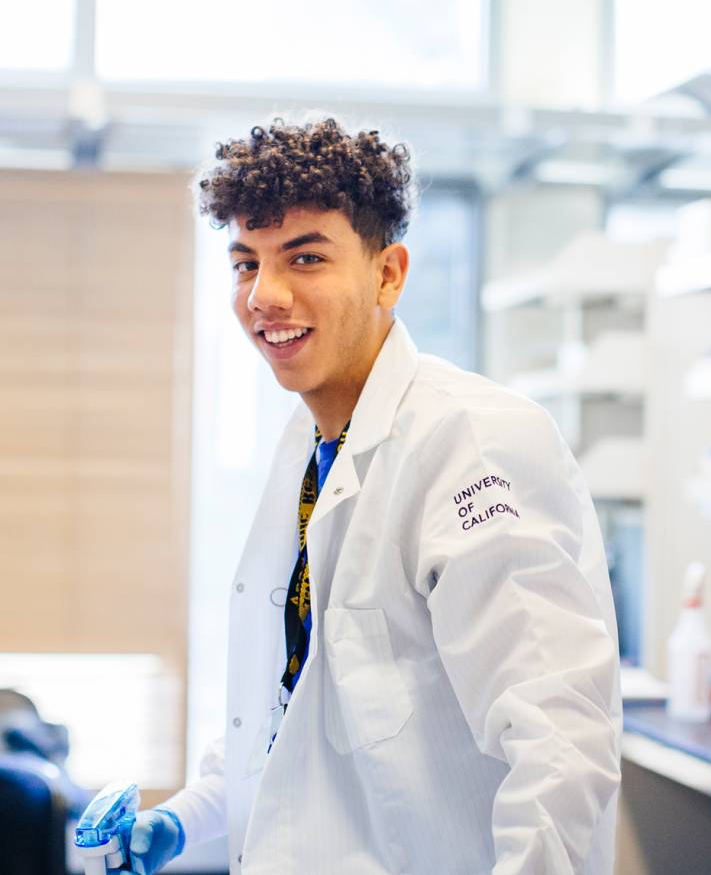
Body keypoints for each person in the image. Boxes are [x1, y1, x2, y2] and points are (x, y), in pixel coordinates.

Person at [126, 118, 622, 874]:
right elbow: (294, 699)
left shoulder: (471, 443)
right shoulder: (313, 447)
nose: (266, 295)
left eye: (306, 258)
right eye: (244, 264)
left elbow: (561, 747)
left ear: (388, 273)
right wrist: (188, 818)